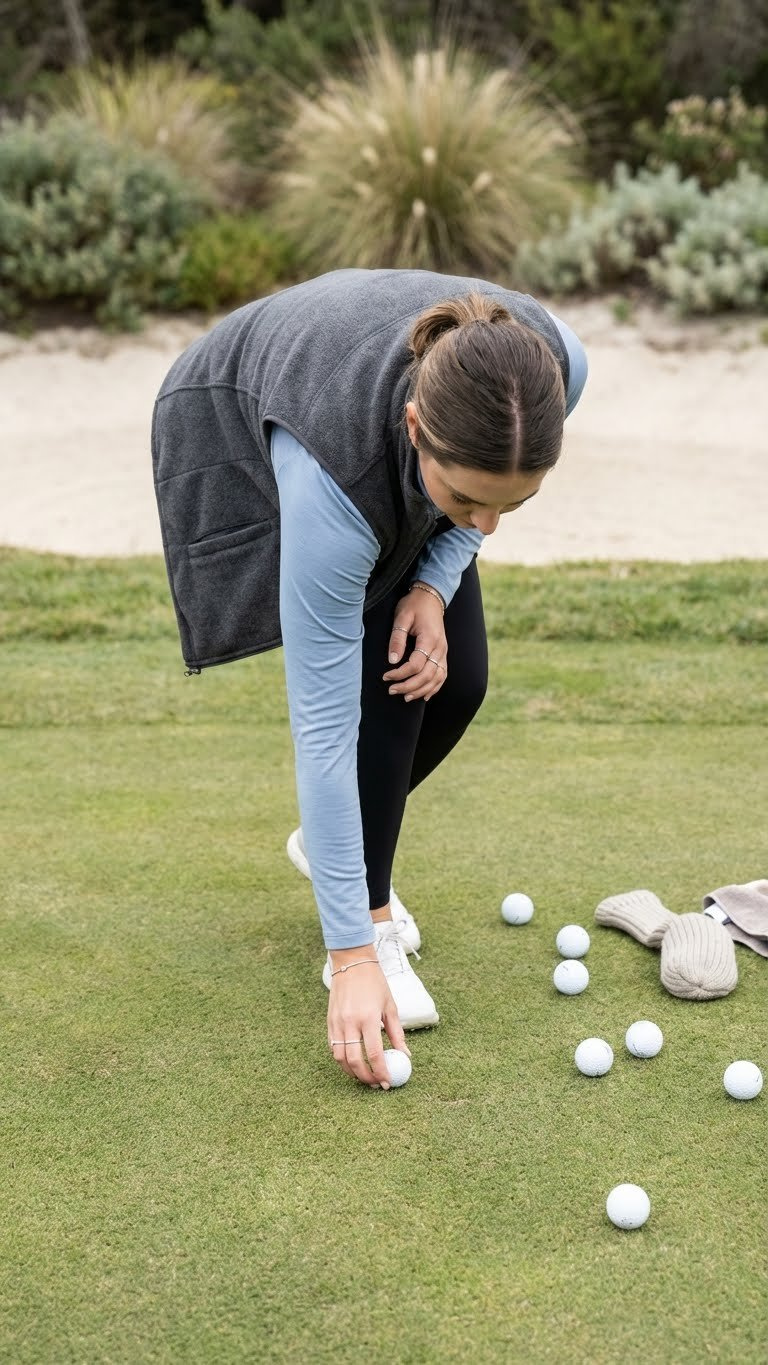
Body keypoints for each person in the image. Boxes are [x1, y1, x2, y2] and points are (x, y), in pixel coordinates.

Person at [151, 268, 588, 1091]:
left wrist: (436, 577)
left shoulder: (552, 369)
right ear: (418, 425)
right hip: (236, 413)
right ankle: (368, 917)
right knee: (384, 683)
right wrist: (350, 954)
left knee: (455, 684)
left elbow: (474, 510)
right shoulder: (333, 486)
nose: (490, 523)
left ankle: (332, 849)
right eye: (467, 497)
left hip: (377, 409)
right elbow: (323, 726)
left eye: (515, 504)